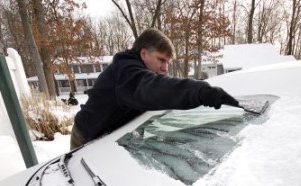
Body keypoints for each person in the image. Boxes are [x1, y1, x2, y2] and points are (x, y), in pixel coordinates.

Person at [70, 28, 238, 150]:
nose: (165, 68)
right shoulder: (127, 72)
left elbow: (162, 91)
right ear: (144, 54)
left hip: (108, 136)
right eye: (161, 60)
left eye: (167, 62)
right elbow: (154, 88)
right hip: (87, 137)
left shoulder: (132, 71)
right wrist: (200, 92)